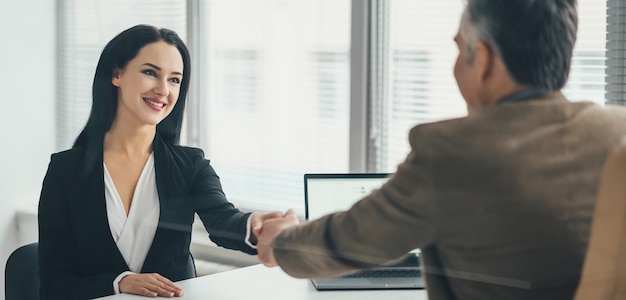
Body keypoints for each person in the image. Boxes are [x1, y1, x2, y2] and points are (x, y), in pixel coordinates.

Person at [255, 0, 626, 299]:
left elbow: (350, 240)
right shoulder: (617, 131)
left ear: (482, 60)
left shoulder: (454, 152)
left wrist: (283, 239)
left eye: (458, 49)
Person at [38, 24, 281, 300]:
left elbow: (223, 220)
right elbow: (53, 285)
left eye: (175, 79)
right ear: (117, 74)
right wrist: (119, 283)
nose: (163, 90)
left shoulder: (191, 165)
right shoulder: (65, 170)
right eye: (150, 72)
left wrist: (258, 225)